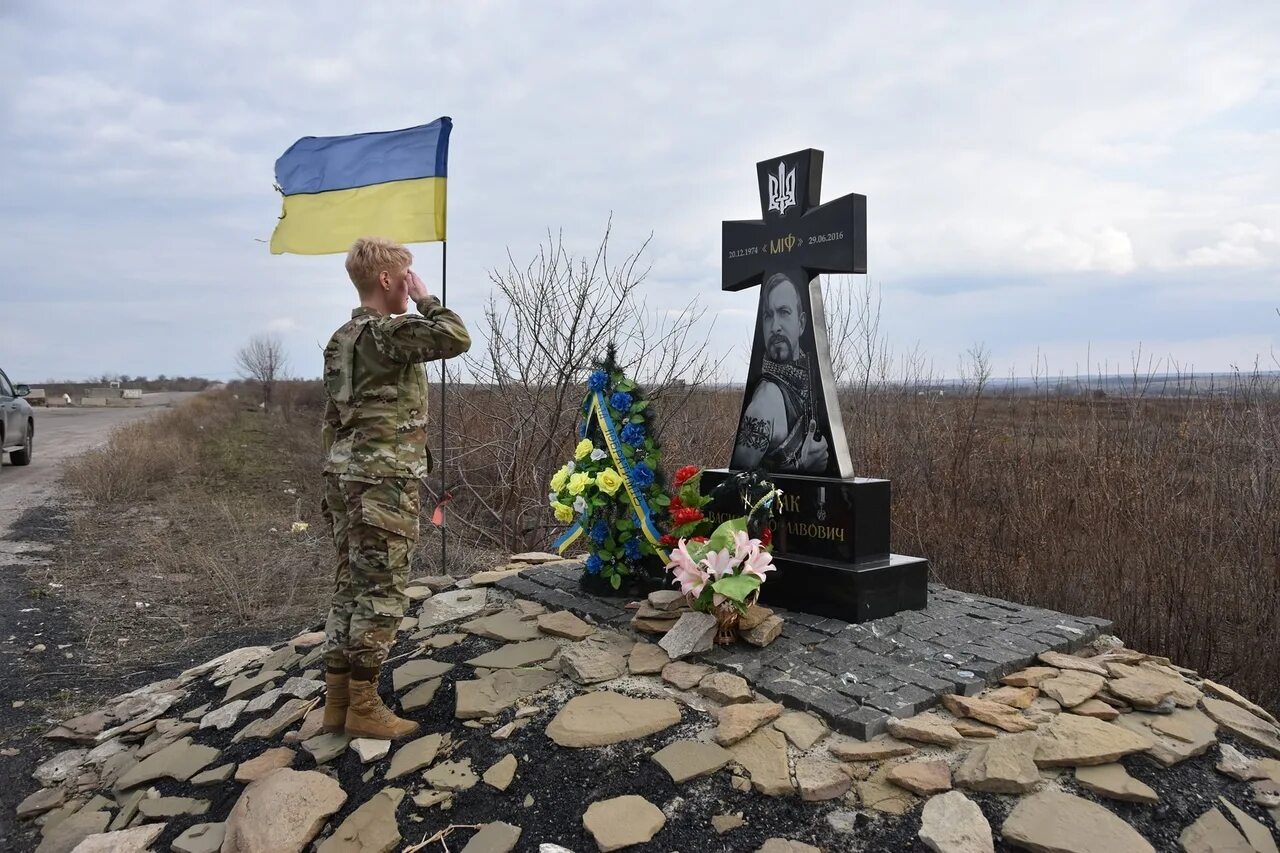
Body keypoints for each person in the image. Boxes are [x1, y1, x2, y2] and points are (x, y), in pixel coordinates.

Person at [319, 236, 470, 739]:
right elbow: (454, 338)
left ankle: (337, 705)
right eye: (404, 276)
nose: (408, 284)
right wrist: (428, 298)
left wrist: (335, 475)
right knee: (382, 591)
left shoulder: (341, 338)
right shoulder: (389, 332)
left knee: (349, 588)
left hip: (346, 477)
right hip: (383, 482)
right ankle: (364, 707)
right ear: (387, 280)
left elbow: (332, 418)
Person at [731, 272, 829, 473]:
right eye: (768, 315)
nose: (775, 326)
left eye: (784, 312)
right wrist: (802, 467)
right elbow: (736, 485)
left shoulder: (805, 380)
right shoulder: (766, 401)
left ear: (801, 323)